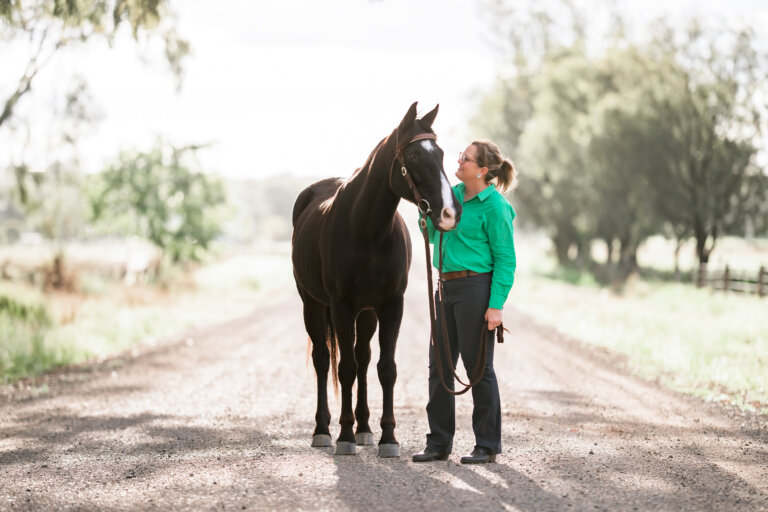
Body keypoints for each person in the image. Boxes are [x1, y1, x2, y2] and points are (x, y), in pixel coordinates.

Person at [412, 139, 517, 464]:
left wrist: (495, 305)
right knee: (439, 368)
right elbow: (432, 235)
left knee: (478, 370)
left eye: (466, 159)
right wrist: (424, 215)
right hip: (445, 287)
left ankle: (486, 445)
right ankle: (439, 443)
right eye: (461, 156)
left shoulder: (495, 207)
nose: (459, 161)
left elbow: (505, 259)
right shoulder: (452, 195)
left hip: (476, 289)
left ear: (483, 170)